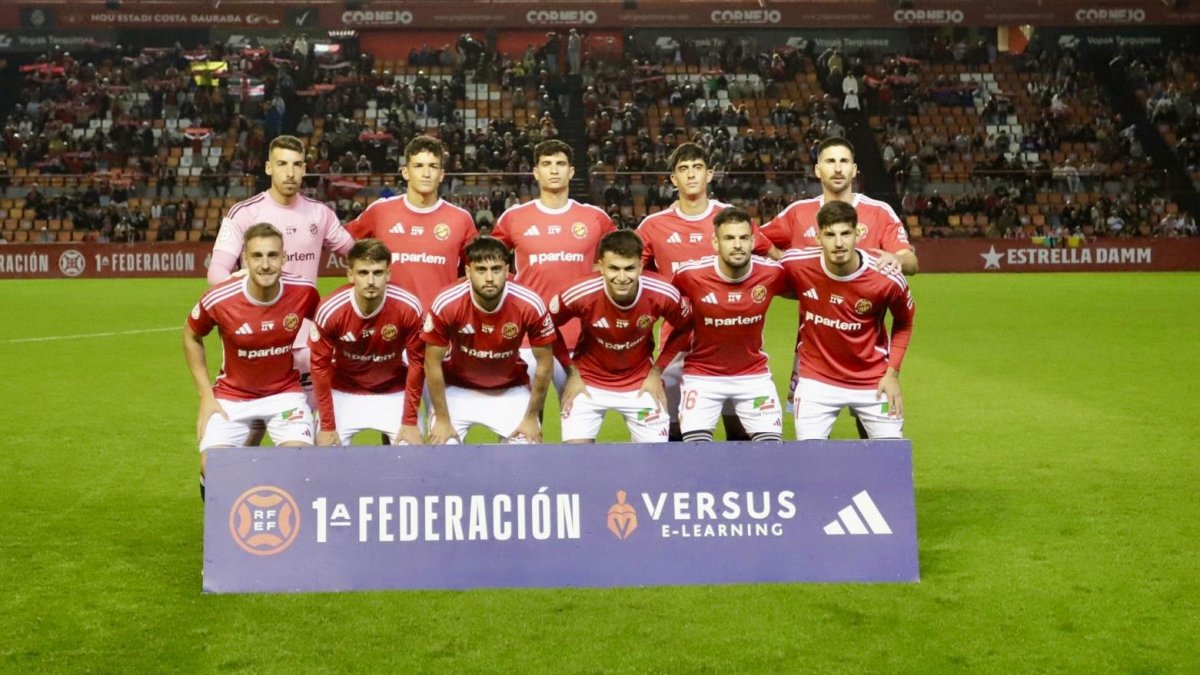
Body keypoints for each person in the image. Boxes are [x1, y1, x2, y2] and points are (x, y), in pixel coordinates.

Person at [761, 136, 917, 424]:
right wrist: (787, 268)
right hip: (814, 346)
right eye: (830, 161)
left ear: (855, 169)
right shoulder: (798, 214)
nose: (837, 168)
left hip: (867, 346)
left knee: (872, 432)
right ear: (818, 169)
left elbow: (910, 260)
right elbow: (754, 239)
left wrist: (897, 259)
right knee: (815, 441)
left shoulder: (877, 212)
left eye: (844, 161)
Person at [206, 135, 354, 426]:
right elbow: (217, 272)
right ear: (268, 168)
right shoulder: (245, 213)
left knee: (305, 423)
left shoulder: (320, 214)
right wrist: (248, 290)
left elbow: (357, 255)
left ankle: (301, 473)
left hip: (306, 341)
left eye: (297, 165)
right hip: (258, 339)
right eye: (282, 164)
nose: (290, 172)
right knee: (253, 425)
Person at [636, 143, 770, 440]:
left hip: (734, 350)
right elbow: (634, 277)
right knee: (673, 432)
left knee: (740, 433)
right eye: (683, 170)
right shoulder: (653, 226)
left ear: (710, 174)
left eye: (697, 168)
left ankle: (739, 488)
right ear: (673, 179)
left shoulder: (733, 219)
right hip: (678, 346)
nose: (691, 175)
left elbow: (772, 257)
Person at [184, 223, 320, 499]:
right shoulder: (220, 298)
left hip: (285, 395)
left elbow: (329, 330)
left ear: (284, 258)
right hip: (232, 396)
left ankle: (292, 532)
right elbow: (190, 336)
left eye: (273, 255)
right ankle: (223, 533)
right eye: (257, 256)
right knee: (213, 467)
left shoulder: (304, 292)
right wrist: (205, 396)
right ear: (244, 259)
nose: (266, 264)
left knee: (301, 463)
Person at [779, 201, 915, 440]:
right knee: (810, 463)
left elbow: (905, 321)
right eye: (830, 235)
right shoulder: (795, 265)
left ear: (857, 234)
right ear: (818, 237)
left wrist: (892, 374)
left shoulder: (885, 276)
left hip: (873, 380)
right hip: (816, 381)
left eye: (845, 233)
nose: (839, 243)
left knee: (891, 460)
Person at [492, 139, 616, 393]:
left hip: (581, 340)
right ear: (536, 172)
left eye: (560, 164)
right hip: (526, 340)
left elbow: (623, 261)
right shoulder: (514, 218)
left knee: (577, 425)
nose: (554, 170)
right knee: (522, 426)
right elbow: (487, 263)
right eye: (546, 164)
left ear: (571, 171)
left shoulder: (595, 218)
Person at [660, 207, 794, 442]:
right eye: (729, 238)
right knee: (696, 452)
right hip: (702, 377)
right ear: (715, 242)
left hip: (753, 377)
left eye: (743, 238)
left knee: (770, 453)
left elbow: (810, 283)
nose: (737, 245)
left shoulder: (772, 273)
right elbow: (661, 305)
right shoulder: (689, 275)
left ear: (753, 241)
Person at [550, 230, 691, 443]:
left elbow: (686, 325)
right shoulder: (579, 293)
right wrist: (571, 372)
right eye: (614, 268)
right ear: (600, 267)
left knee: (655, 459)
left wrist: (657, 371)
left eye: (629, 268)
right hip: (588, 382)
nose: (622, 277)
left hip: (641, 381)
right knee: (575, 457)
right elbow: (545, 326)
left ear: (641, 267)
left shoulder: (663, 293)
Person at [422, 236, 557, 444]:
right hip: (457, 389)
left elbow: (545, 364)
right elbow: (432, 363)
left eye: (496, 269)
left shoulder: (529, 303)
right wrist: (441, 419)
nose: (489, 278)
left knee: (525, 452)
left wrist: (531, 417)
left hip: (510, 390)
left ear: (506, 270)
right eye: (481, 270)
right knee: (443, 450)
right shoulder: (447, 303)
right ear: (468, 272)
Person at [309, 239, 425, 447]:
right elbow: (319, 368)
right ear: (350, 274)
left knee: (412, 452)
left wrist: (409, 420)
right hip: (344, 390)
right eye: (363, 273)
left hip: (393, 391)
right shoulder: (331, 309)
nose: (371, 281)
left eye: (378, 273)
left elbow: (417, 364)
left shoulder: (408, 306)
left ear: (388, 274)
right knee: (326, 453)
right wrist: (327, 426)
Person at [345, 135, 476, 309]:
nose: (426, 173)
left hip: (439, 327)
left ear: (442, 174)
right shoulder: (380, 211)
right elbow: (342, 241)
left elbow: (475, 271)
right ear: (405, 172)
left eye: (433, 166)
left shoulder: (461, 219)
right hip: (389, 327)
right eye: (418, 166)